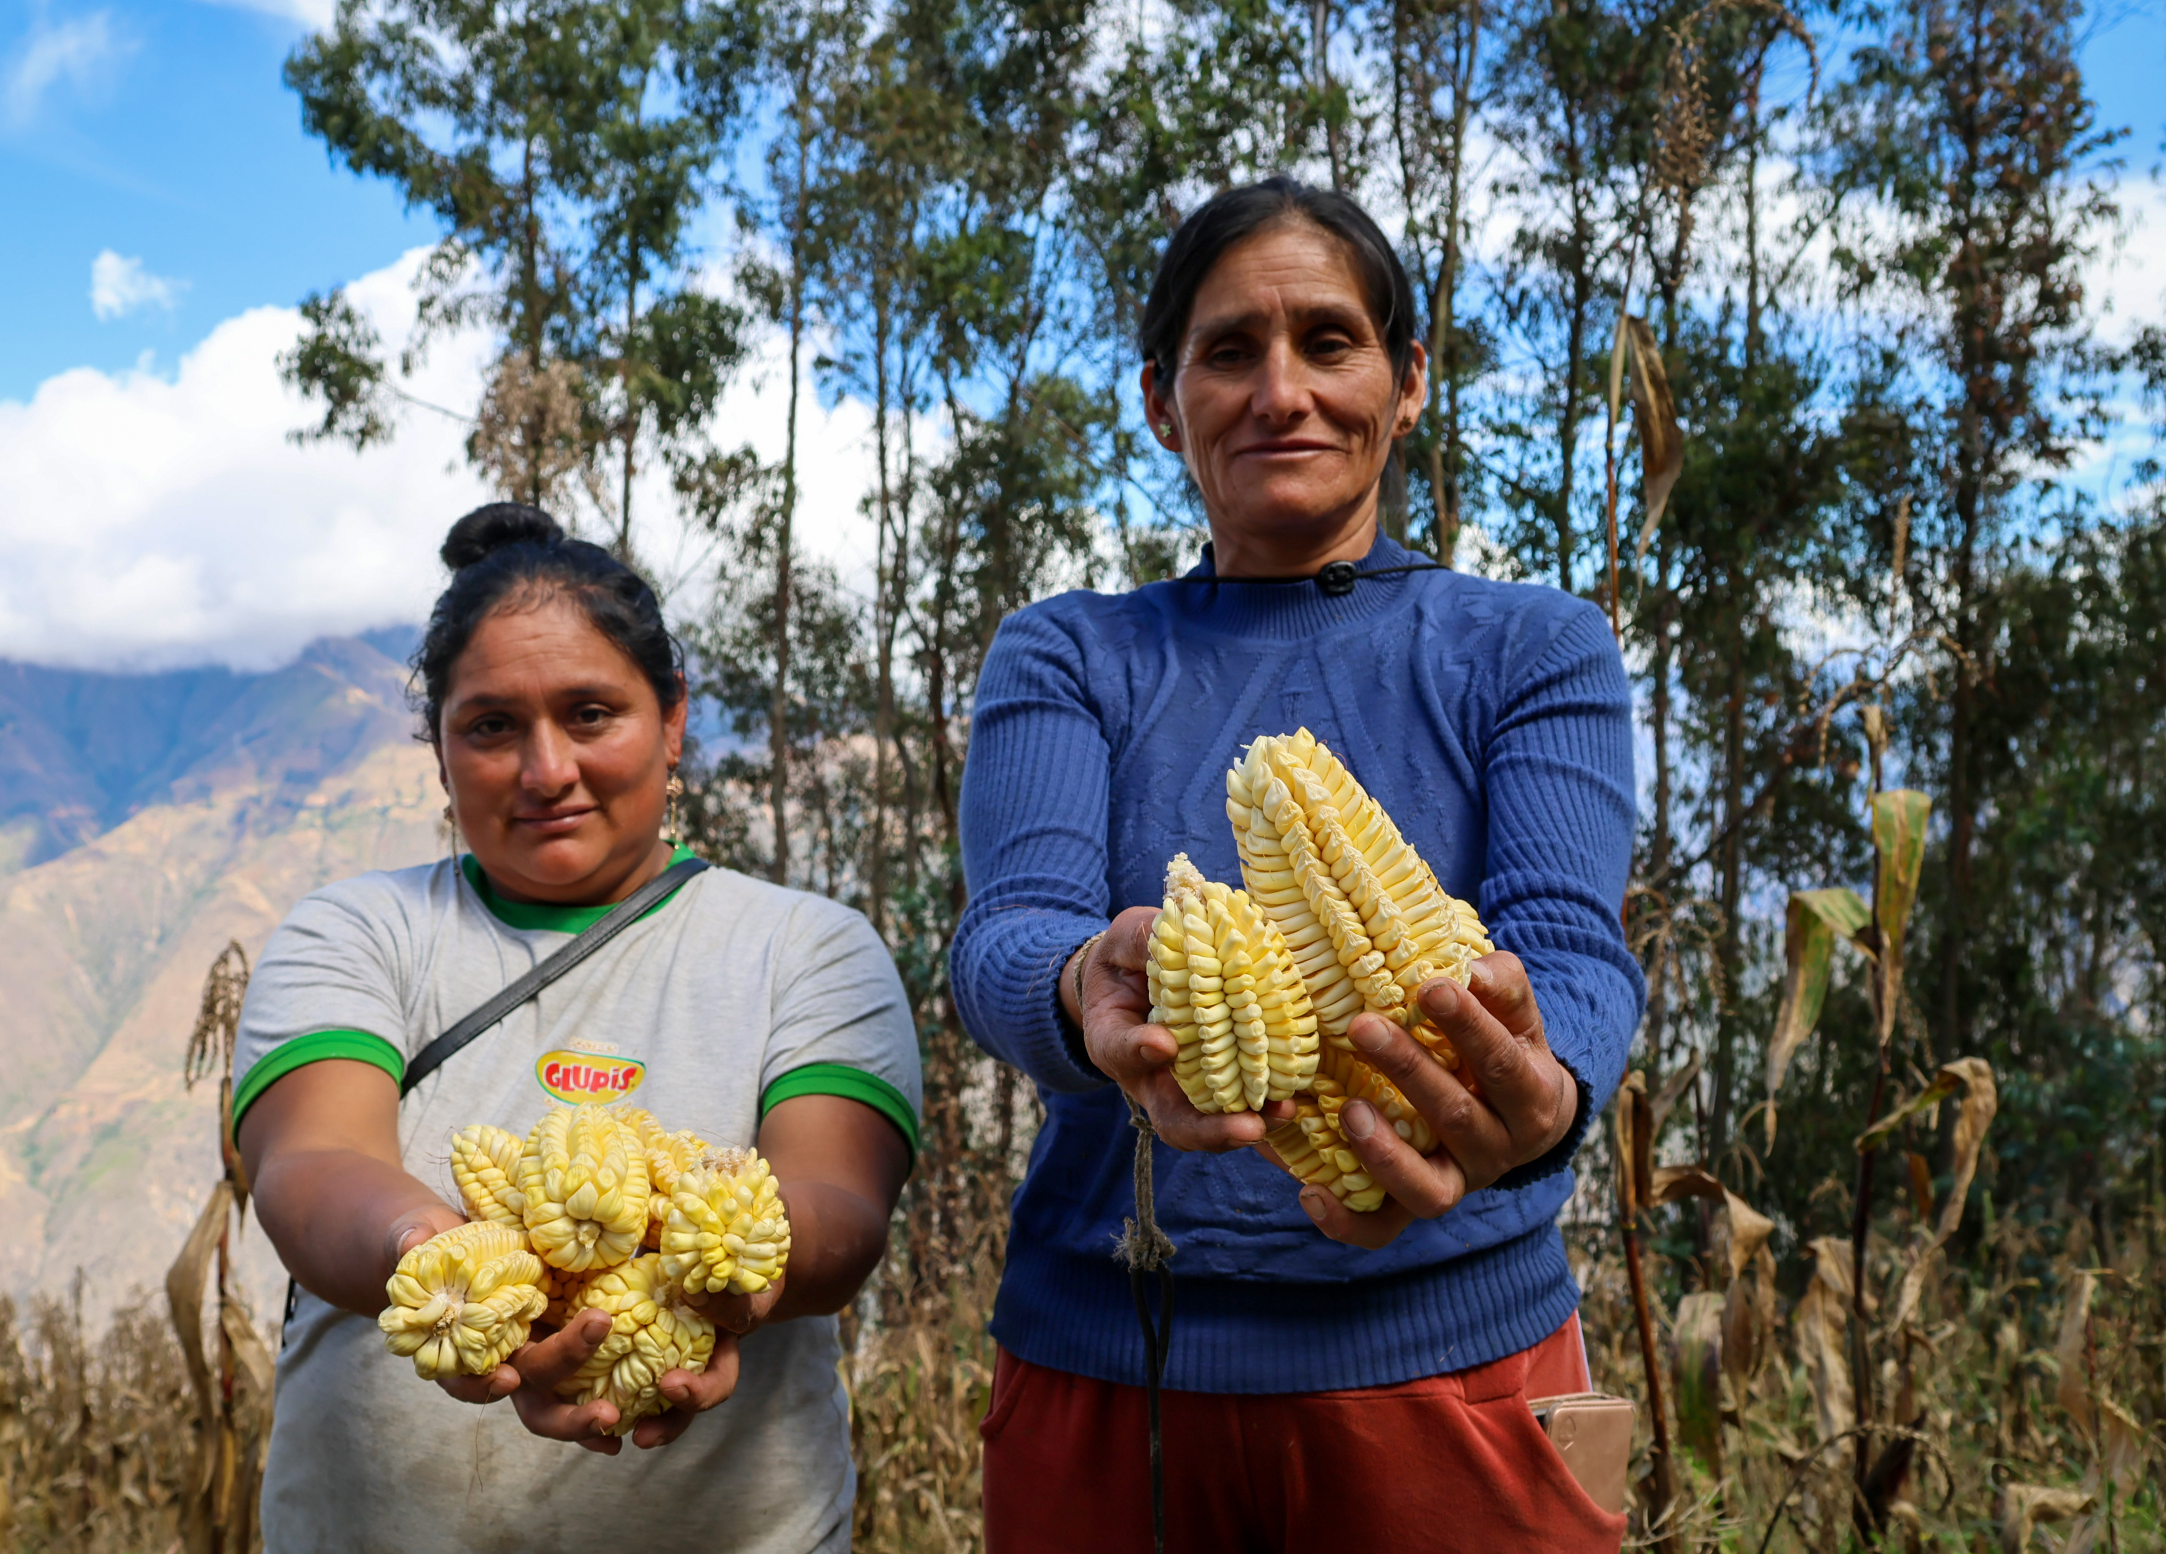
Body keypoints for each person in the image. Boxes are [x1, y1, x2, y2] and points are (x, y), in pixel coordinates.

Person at [950, 177, 1643, 1552]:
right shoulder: (1068, 652)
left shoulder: (1528, 646)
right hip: (1114, 1372)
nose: (1280, 390)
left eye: (1328, 342)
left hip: (1455, 1377)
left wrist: (1528, 1084)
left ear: (1406, 387)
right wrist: (1085, 979)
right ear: (1162, 401)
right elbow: (1002, 936)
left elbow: (1565, 946)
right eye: (1228, 350)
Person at [234, 504, 920, 1554]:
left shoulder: (804, 948)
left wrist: (729, 1280)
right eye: (492, 727)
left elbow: (837, 1204)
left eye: (591, 713)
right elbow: (312, 1162)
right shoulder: (357, 932)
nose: (546, 770)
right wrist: (460, 1276)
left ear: (673, 717)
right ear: (441, 747)